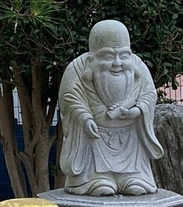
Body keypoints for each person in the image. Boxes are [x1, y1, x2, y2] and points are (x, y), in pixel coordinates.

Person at [58, 20, 164, 196]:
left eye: (123, 55)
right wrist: (85, 118)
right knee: (99, 182)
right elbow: (70, 99)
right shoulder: (77, 69)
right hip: (94, 137)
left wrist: (137, 110)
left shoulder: (137, 65)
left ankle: (133, 178)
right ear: (92, 58)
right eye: (108, 56)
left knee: (136, 184)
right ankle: (94, 180)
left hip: (130, 137)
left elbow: (149, 94)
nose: (117, 63)